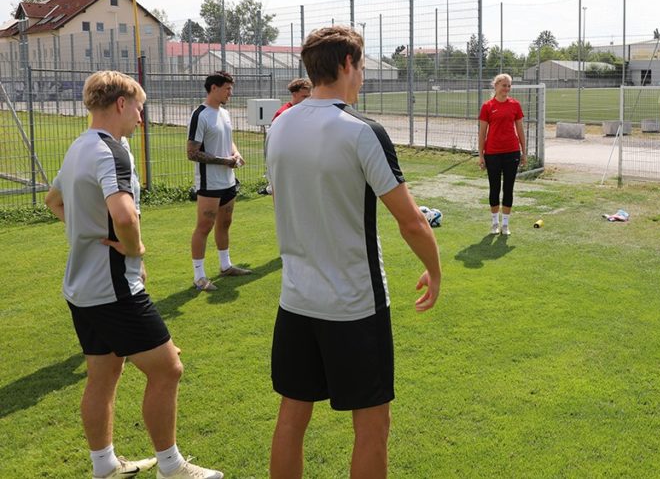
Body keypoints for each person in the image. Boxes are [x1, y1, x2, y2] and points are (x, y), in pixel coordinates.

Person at [266, 26, 442, 479]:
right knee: (372, 425)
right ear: (347, 64)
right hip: (355, 305)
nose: (362, 76)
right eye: (361, 66)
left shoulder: (280, 125)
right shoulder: (361, 131)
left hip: (296, 302)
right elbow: (411, 221)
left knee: (292, 416)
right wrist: (434, 270)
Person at [44, 71, 222, 479]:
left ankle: (103, 465)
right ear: (121, 104)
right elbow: (123, 214)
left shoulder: (78, 146)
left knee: (104, 373)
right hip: (113, 287)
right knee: (168, 368)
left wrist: (86, 234)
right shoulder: (111, 149)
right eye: (139, 107)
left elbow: (53, 200)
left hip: (82, 286)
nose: (141, 117)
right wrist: (133, 247)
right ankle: (171, 466)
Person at [187, 71, 251, 291]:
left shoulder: (224, 113)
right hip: (209, 184)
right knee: (204, 226)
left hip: (228, 181)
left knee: (225, 223)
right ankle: (199, 277)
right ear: (214, 88)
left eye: (231, 89)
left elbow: (228, 141)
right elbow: (192, 152)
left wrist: (236, 154)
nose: (230, 93)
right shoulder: (200, 115)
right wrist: (224, 160)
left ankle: (226, 266)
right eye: (227, 88)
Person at [478, 73, 526, 235]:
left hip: (512, 152)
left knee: (508, 188)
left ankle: (505, 225)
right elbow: (482, 133)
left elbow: (520, 130)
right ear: (496, 86)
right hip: (492, 153)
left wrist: (524, 152)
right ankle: (495, 223)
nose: (506, 88)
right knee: (494, 188)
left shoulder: (515, 105)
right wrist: (481, 155)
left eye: (509, 86)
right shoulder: (487, 106)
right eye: (504, 85)